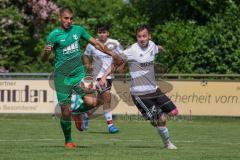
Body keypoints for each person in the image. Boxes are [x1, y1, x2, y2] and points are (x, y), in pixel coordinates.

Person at [42, 7, 122, 149]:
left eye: (71, 18)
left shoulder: (78, 30)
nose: (69, 21)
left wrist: (112, 54)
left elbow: (97, 44)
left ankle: (78, 113)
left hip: (78, 74)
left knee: (93, 101)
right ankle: (68, 140)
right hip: (62, 77)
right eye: (66, 18)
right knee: (65, 112)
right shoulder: (53, 35)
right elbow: (43, 59)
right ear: (60, 18)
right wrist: (46, 54)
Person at [105, 25, 179, 149]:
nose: (142, 39)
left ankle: (154, 121)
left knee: (174, 112)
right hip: (140, 94)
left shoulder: (152, 45)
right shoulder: (131, 50)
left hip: (154, 89)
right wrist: (103, 77)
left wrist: (163, 49)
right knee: (161, 118)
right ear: (136, 38)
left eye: (144, 36)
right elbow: (115, 63)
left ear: (149, 36)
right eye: (139, 36)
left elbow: (157, 48)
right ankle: (168, 144)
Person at [83, 24, 122, 133]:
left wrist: (120, 67)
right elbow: (85, 55)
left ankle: (86, 115)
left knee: (101, 101)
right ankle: (110, 126)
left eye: (104, 32)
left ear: (108, 33)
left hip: (109, 75)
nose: (102, 34)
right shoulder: (92, 44)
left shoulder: (115, 43)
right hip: (98, 76)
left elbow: (122, 57)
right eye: (100, 32)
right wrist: (87, 65)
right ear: (97, 33)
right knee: (107, 97)